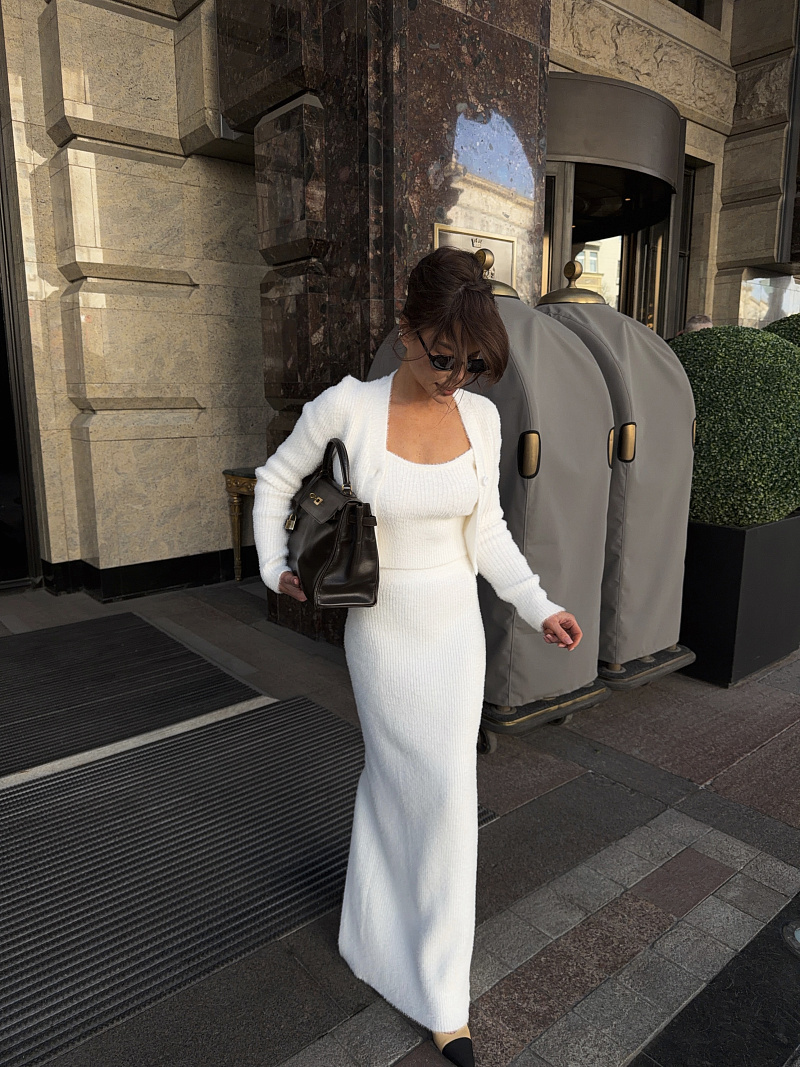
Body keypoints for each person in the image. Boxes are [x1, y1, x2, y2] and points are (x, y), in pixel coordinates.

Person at [252, 247, 583, 1066]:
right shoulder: (348, 407)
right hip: (382, 635)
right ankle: (376, 942)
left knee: (445, 799)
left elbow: (488, 531)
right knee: (400, 786)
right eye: (443, 357)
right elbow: (274, 480)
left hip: (454, 634)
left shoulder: (482, 420)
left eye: (473, 365)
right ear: (405, 329)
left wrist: (539, 605)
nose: (456, 378)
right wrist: (273, 565)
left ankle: (440, 995)